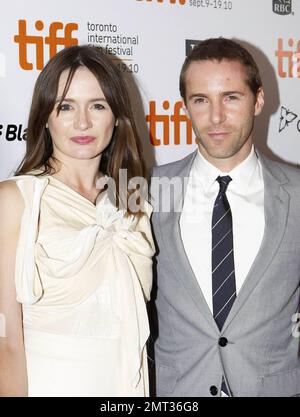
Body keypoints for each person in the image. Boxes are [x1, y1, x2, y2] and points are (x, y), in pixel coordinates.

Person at [0, 45, 155, 397]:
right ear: (45, 116)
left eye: (97, 105)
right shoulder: (16, 199)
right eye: (66, 106)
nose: (82, 122)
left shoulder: (133, 199)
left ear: (116, 117)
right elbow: (5, 343)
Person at [151, 37, 300, 397]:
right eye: (201, 100)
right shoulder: (147, 191)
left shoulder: (296, 192)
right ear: (185, 106)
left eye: (231, 97)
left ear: (258, 99)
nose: (216, 116)